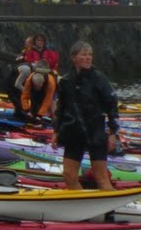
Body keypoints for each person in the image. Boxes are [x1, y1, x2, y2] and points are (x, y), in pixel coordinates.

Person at [51, 41, 120, 190]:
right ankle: (80, 207)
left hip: (95, 131)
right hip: (73, 132)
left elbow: (112, 106)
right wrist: (56, 132)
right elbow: (61, 109)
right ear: (74, 58)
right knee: (69, 175)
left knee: (101, 176)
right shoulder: (66, 81)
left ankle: (109, 212)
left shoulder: (99, 79)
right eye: (84, 54)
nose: (88, 58)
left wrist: (113, 133)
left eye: (90, 55)